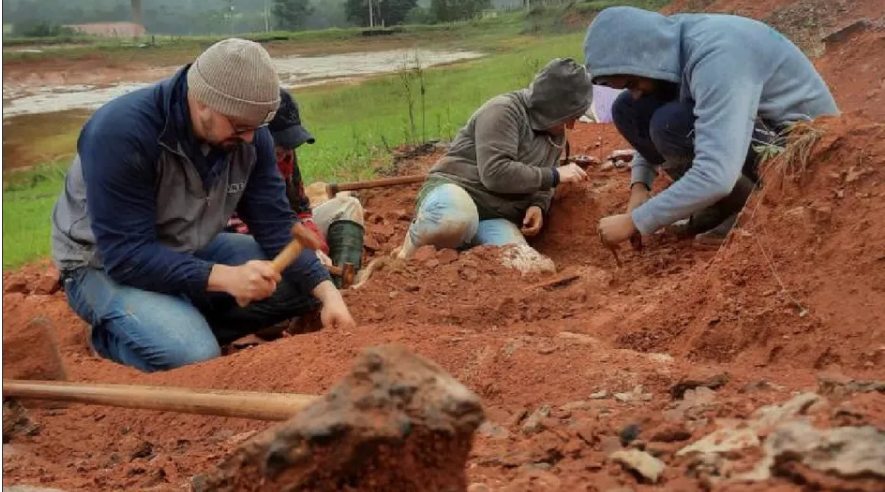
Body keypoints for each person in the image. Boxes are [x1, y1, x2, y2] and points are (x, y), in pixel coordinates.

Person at [50, 38, 355, 373]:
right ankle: (113, 338)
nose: (250, 139)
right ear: (201, 102)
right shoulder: (121, 133)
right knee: (193, 356)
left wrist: (328, 294)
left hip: (185, 248)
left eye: (256, 128)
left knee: (304, 285)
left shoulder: (250, 135)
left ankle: (177, 317)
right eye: (240, 127)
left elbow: (273, 221)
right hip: (101, 264)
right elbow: (126, 257)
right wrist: (224, 278)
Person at [584, 7, 839, 247]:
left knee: (670, 124)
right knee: (627, 109)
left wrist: (635, 222)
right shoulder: (670, 44)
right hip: (759, 129)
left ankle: (754, 208)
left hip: (801, 151)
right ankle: (722, 204)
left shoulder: (716, 56)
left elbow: (717, 174)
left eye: (632, 82)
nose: (635, 93)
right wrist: (639, 187)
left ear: (646, 57)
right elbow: (642, 106)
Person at [396, 58, 593, 259]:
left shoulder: (555, 134)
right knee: (453, 221)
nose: (571, 126)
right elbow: (495, 173)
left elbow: (545, 181)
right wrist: (554, 175)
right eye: (569, 118)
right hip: (458, 190)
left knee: (526, 265)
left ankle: (459, 253)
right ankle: (406, 256)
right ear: (552, 108)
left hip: (496, 215)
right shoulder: (503, 111)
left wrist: (537, 205)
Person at [227, 89, 365, 289]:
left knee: (348, 206)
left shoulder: (287, 158)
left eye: (290, 145)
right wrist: (301, 251)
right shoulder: (235, 160)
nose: (287, 152)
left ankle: (340, 284)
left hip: (288, 234)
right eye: (279, 146)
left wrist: (315, 246)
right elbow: (238, 230)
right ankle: (314, 285)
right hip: (256, 245)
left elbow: (300, 209)